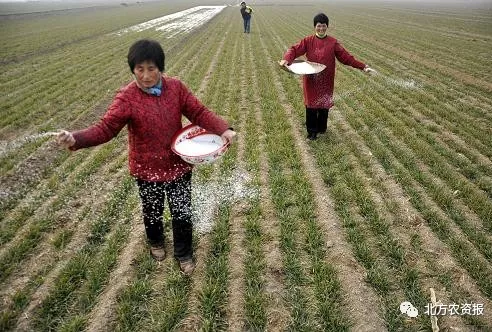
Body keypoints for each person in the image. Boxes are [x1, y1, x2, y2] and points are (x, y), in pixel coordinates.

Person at [56, 39, 236, 275]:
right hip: (146, 168)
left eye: (152, 68)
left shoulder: (176, 88)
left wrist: (223, 129)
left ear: (160, 67)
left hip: (177, 163)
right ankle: (156, 242)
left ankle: (183, 253)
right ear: (133, 69)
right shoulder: (127, 97)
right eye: (140, 69)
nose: (146, 75)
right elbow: (106, 128)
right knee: (152, 210)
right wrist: (76, 138)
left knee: (182, 210)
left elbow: (198, 112)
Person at [279, 13, 376, 140]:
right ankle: (312, 132)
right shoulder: (307, 41)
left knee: (324, 104)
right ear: (315, 27)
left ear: (327, 26)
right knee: (312, 105)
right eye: (318, 26)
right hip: (311, 79)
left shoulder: (333, 43)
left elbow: (347, 58)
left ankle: (322, 128)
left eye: (324, 26)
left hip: (326, 79)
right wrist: (286, 59)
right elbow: (294, 50)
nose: (321, 29)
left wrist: (363, 66)